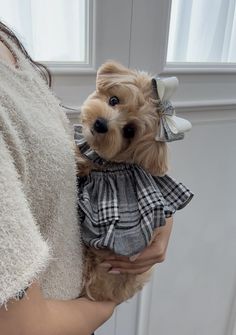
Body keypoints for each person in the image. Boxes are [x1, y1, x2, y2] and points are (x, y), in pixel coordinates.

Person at [0, 21, 174, 335]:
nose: (108, 121)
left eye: (129, 130)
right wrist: (104, 307)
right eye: (114, 101)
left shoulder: (8, 45)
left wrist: (160, 217)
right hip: (71, 316)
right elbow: (21, 326)